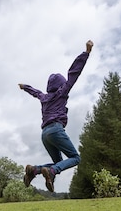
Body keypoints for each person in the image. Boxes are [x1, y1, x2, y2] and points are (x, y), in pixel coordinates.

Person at [18, 40, 94, 192]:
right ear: (61, 85)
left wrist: (25, 87)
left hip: (44, 134)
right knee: (75, 158)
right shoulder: (62, 91)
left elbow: (36, 92)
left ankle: (34, 170)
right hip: (56, 130)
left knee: (58, 162)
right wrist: (86, 53)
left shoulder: (44, 97)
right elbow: (74, 73)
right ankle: (52, 172)